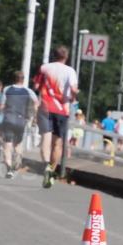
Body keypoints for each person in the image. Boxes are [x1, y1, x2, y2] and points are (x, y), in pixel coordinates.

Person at [36, 45, 78, 188]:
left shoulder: (44, 68)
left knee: (45, 141)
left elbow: (36, 85)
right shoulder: (70, 71)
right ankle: (51, 171)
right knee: (57, 144)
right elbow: (73, 89)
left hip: (45, 108)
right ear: (66, 57)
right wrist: (73, 97)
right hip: (62, 110)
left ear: (54, 55)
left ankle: (46, 166)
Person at [0, 71, 38, 178]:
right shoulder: (28, 91)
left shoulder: (7, 89)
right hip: (21, 120)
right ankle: (16, 164)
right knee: (18, 144)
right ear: (23, 79)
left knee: (7, 144)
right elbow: (36, 103)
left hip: (8, 119)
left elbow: (2, 106)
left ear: (13, 79)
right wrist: (34, 116)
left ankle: (9, 169)